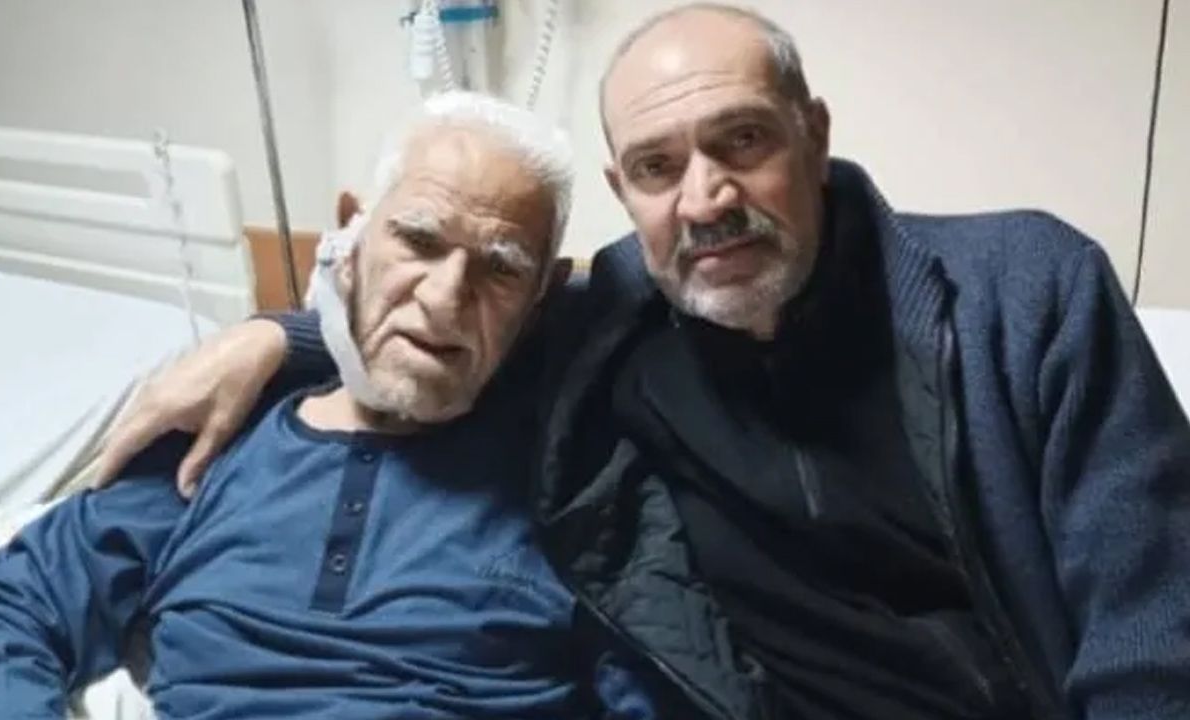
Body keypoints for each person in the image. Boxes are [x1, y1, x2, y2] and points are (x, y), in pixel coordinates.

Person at [96, 4, 1190, 720]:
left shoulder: (1022, 293)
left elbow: (1152, 637)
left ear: (813, 134)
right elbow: (443, 316)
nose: (705, 199)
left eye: (742, 141)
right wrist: (277, 336)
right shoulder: (613, 317)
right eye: (659, 167)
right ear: (625, 193)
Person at [0, 92, 657, 720]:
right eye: (418, 241)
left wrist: (277, 334)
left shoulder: (577, 485)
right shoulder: (211, 449)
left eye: (500, 270)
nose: (444, 298)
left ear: (542, 298)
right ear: (352, 236)